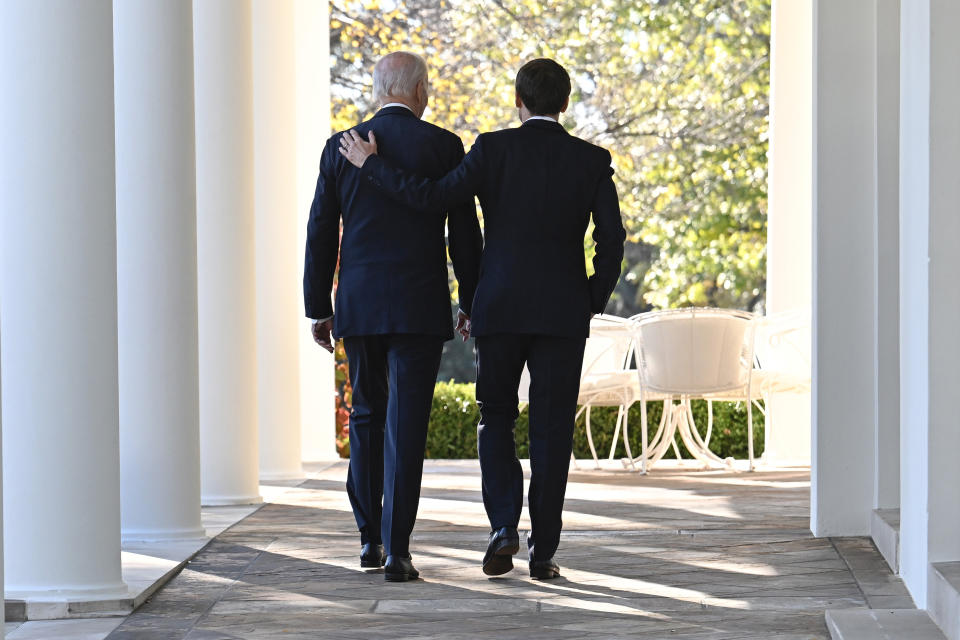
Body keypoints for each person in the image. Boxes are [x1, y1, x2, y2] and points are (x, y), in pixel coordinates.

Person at [339, 58, 625, 580]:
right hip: (563, 312)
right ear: (564, 104)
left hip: (500, 310)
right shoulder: (591, 159)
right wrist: (590, 297)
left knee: (495, 416)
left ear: (518, 101)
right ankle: (543, 552)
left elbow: (431, 199)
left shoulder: (492, 149)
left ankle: (502, 529)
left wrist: (371, 165)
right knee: (552, 428)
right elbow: (612, 240)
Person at [303, 51, 482, 582]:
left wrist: (319, 306)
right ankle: (399, 546)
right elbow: (464, 235)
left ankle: (368, 539)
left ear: (378, 89)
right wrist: (468, 298)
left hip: (358, 303)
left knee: (365, 416)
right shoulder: (445, 146)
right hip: (420, 303)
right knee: (407, 424)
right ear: (422, 91)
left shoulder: (340, 147)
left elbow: (319, 232)